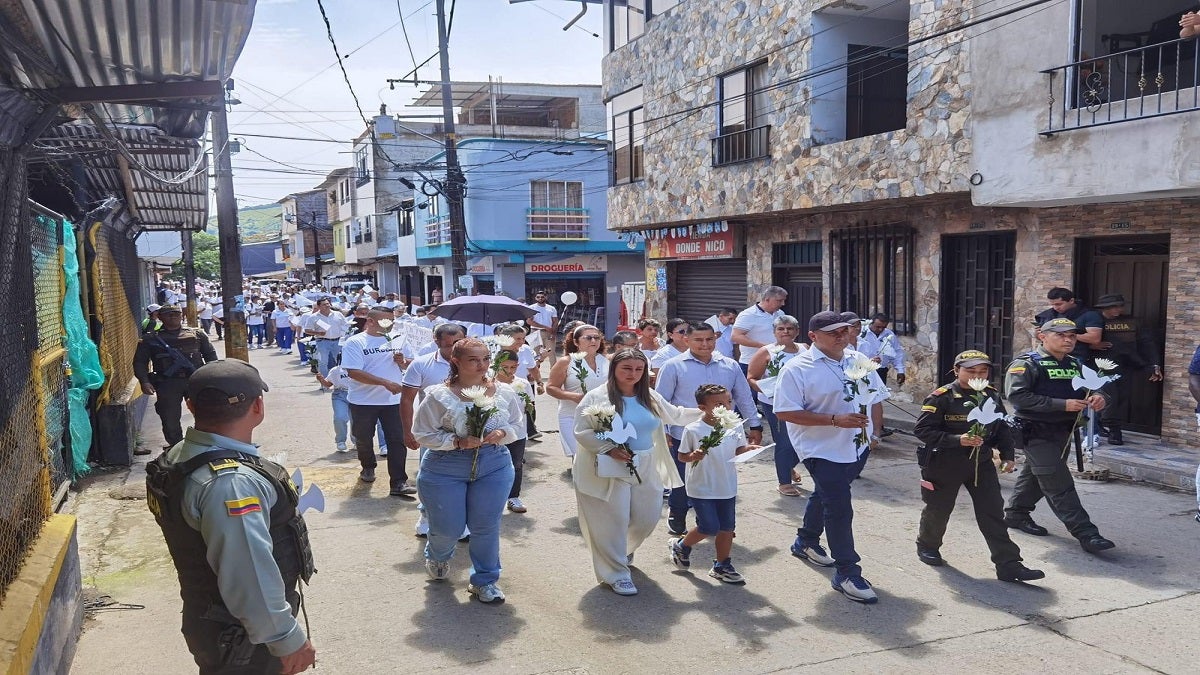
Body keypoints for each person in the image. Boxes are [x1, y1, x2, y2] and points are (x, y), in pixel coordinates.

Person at [144, 360, 317, 674]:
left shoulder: (180, 455)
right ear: (258, 406)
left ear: (190, 405)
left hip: (213, 621)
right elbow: (248, 570)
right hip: (242, 636)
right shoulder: (231, 484)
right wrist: (286, 638)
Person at [773, 311, 884, 604]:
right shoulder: (797, 368)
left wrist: (874, 435)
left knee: (826, 495)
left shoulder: (857, 360)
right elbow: (784, 412)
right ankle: (847, 571)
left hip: (856, 446)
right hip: (819, 448)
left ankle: (806, 540)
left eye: (844, 331)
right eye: (833, 332)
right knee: (839, 506)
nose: (841, 336)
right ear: (813, 336)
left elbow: (875, 400)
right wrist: (835, 420)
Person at [573, 349, 701, 596]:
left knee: (647, 517)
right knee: (613, 520)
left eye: (638, 369)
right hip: (610, 467)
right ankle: (616, 573)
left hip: (645, 463)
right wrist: (609, 448)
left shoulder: (649, 396)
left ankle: (621, 550)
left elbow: (674, 414)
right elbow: (582, 431)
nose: (633, 374)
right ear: (614, 370)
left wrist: (706, 414)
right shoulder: (596, 398)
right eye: (626, 368)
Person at [912, 350, 1046, 582]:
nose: (978, 375)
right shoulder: (941, 397)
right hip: (945, 463)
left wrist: (1007, 456)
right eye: (971, 371)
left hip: (981, 462)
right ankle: (927, 545)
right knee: (939, 509)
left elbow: (1002, 428)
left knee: (992, 511)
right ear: (956, 371)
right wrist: (957, 440)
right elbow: (922, 430)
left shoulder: (991, 395)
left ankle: (1009, 564)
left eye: (982, 371)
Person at [411, 339, 521, 604]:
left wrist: (502, 433)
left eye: (485, 359)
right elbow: (421, 434)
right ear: (456, 362)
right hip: (444, 467)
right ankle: (437, 555)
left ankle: (485, 581)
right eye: (473, 360)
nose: (481, 365)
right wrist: (456, 442)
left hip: (493, 464)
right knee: (449, 528)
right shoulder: (438, 395)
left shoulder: (504, 392)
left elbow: (518, 424)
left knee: (486, 526)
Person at [1003, 318, 1115, 554]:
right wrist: (1062, 404)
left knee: (1036, 475)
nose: (1068, 340)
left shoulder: (1075, 363)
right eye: (1061, 335)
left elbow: (1096, 385)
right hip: (1036, 432)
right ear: (1042, 336)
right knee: (1058, 483)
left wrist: (1100, 396)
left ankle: (1016, 514)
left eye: (1072, 336)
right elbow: (1018, 397)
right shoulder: (1025, 364)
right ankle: (1087, 533)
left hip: (1063, 432)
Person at [655, 321, 762, 536]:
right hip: (684, 433)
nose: (705, 344)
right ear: (687, 340)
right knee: (683, 478)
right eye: (698, 340)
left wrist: (755, 424)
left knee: (717, 476)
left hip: (723, 434)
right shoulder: (673, 366)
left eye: (709, 339)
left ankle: (715, 522)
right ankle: (678, 512)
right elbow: (661, 402)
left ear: (715, 339)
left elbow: (743, 396)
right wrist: (663, 431)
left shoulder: (729, 365)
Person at [671, 384, 760, 584]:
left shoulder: (734, 424)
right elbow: (682, 456)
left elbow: (738, 449)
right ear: (702, 407)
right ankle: (682, 545)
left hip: (726, 485)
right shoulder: (693, 429)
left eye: (728, 402)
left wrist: (748, 449)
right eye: (719, 404)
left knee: (727, 527)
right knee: (709, 526)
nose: (726, 407)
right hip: (701, 486)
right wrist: (694, 455)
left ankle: (722, 565)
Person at [402, 323, 467, 537]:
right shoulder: (421, 365)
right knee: (430, 478)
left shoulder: (477, 364)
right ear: (436, 342)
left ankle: (461, 522)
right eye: (448, 345)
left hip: (468, 433)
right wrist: (408, 430)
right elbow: (407, 399)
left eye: (458, 343)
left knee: (465, 478)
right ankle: (426, 516)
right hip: (432, 434)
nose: (453, 349)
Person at [341, 306, 413, 496]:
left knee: (397, 440)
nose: (389, 325)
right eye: (384, 321)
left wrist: (403, 362)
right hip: (363, 401)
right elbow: (353, 372)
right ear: (370, 321)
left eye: (391, 321)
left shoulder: (398, 338)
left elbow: (412, 364)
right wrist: (384, 382)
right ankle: (368, 466)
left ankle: (398, 482)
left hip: (393, 401)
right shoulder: (355, 342)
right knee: (363, 438)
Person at [133, 305, 219, 450]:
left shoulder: (197, 334)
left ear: (182, 316)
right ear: (160, 317)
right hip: (168, 383)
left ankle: (206, 443)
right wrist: (144, 381)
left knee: (206, 412)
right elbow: (140, 362)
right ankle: (176, 446)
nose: (173, 317)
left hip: (196, 380)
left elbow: (211, 356)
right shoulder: (151, 338)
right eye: (168, 314)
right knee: (169, 416)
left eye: (176, 314)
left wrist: (212, 377)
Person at [746, 314, 807, 496]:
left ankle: (787, 466)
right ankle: (784, 482)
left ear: (797, 331)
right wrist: (767, 389)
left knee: (801, 440)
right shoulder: (767, 352)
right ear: (774, 332)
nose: (785, 332)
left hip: (802, 403)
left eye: (789, 328)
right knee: (785, 441)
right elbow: (751, 378)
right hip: (775, 404)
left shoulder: (804, 349)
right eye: (781, 329)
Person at [1091, 293, 1163, 445]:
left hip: (1127, 364)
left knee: (1121, 398)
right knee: (1109, 397)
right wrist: (1092, 345)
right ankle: (1113, 430)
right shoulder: (1093, 320)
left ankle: (1105, 427)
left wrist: (1154, 364)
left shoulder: (1133, 322)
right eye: (1113, 306)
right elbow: (1076, 338)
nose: (1118, 309)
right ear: (1104, 308)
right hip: (1100, 366)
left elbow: (1147, 343)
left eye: (1120, 306)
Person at [546, 324, 609, 459]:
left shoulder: (607, 361)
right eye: (588, 338)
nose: (593, 341)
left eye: (596, 338)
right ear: (576, 342)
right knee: (581, 457)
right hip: (572, 417)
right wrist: (574, 396)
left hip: (602, 417)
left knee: (602, 457)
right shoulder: (566, 362)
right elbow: (551, 387)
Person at [494, 350, 532, 513]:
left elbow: (529, 405)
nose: (509, 371)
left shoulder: (523, 384)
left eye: (513, 367)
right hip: (493, 433)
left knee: (516, 464)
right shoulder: (488, 383)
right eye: (504, 367)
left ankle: (513, 497)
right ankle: (492, 498)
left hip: (518, 432)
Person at [1032, 288, 1105, 362]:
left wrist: (1067, 335)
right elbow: (1041, 336)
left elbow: (1095, 338)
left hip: (1077, 357)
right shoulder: (1049, 314)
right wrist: (1037, 334)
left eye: (1059, 304)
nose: (1055, 307)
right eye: (1052, 304)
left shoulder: (1089, 314)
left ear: (1071, 301)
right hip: (1048, 356)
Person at [732, 286, 788, 374]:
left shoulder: (780, 313)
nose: (783, 303)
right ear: (767, 299)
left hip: (775, 361)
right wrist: (764, 347)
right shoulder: (748, 314)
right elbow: (736, 337)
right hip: (752, 362)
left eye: (784, 300)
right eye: (779, 300)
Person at [857, 313, 906, 387]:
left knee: (880, 396)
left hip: (881, 371)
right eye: (878, 327)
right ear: (871, 323)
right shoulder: (861, 333)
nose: (880, 329)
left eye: (883, 327)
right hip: (863, 370)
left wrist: (900, 371)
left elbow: (897, 352)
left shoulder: (889, 334)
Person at [304, 297, 349, 378]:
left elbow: (345, 325)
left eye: (328, 304)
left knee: (341, 361)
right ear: (319, 306)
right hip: (322, 342)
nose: (327, 306)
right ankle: (325, 382)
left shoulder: (338, 314)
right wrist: (317, 333)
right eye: (324, 304)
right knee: (323, 362)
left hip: (337, 341)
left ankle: (342, 381)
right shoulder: (313, 317)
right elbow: (307, 330)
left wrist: (343, 335)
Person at [527, 292, 559, 358]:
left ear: (546, 297)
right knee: (535, 353)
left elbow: (555, 321)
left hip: (548, 332)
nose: (540, 298)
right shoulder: (531, 308)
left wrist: (553, 334)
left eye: (542, 297)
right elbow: (529, 321)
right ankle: (536, 368)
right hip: (535, 331)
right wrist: (544, 326)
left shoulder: (551, 308)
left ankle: (553, 368)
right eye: (538, 297)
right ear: (535, 298)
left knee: (551, 352)